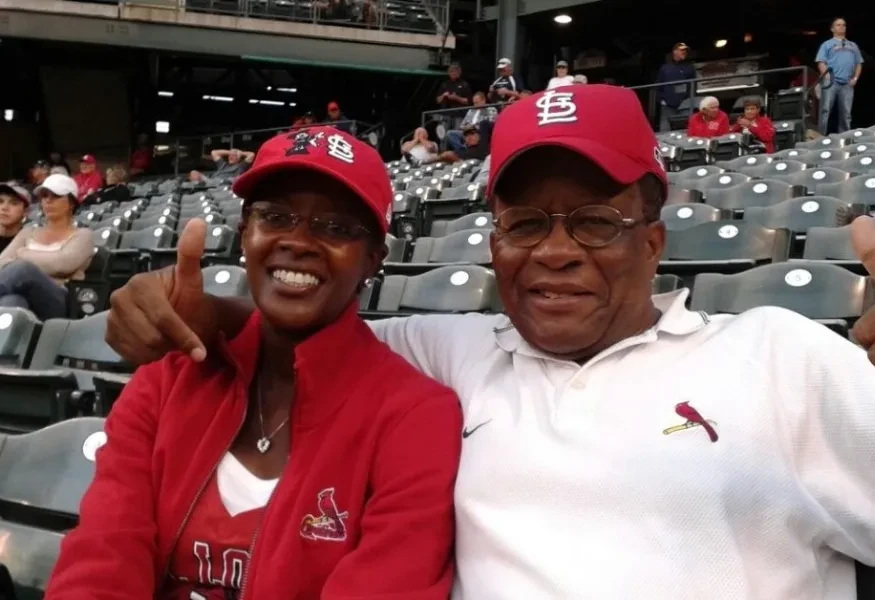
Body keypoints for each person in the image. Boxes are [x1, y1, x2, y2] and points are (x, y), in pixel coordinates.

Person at [106, 85, 875, 598]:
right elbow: (303, 328)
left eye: (594, 222)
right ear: (494, 242)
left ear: (651, 242)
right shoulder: (452, 352)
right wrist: (199, 311)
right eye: (525, 224)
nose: (555, 252)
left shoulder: (780, 357)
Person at [44, 126, 461, 600]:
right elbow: (101, 562)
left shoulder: (415, 418)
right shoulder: (166, 381)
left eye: (336, 228)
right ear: (245, 233)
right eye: (275, 216)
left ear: (372, 260)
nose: (298, 242)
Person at [0, 174, 92, 320]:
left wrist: (23, 253)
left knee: (23, 269)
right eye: (44, 196)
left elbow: (61, 264)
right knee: (12, 301)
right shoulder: (28, 232)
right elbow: (1, 265)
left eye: (56, 196)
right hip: (25, 298)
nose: (48, 200)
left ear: (71, 203)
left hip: (58, 301)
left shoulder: (83, 235)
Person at [816, 17, 864, 134]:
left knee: (846, 113)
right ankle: (821, 136)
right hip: (831, 82)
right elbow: (821, 62)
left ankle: (845, 137)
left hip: (847, 82)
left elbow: (859, 63)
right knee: (825, 110)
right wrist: (827, 77)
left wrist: (855, 78)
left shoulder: (853, 45)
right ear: (832, 29)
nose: (842, 27)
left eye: (844, 25)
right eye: (838, 25)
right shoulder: (827, 44)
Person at [657, 42, 696, 132]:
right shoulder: (665, 68)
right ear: (675, 51)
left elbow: (693, 85)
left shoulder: (689, 67)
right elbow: (659, 85)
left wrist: (690, 99)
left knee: (688, 128)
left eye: (686, 50)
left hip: (685, 103)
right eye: (682, 50)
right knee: (665, 129)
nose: (684, 52)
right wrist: (662, 100)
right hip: (668, 104)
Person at [189, 148, 256, 183]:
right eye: (229, 156)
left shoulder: (241, 166)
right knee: (193, 172)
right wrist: (230, 152)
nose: (230, 157)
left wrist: (240, 153)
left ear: (239, 158)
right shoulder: (223, 165)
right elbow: (214, 152)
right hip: (210, 181)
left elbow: (251, 155)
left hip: (222, 183)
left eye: (233, 156)